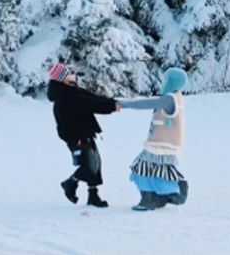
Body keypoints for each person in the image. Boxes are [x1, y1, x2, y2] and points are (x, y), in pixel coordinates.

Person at [47, 62, 119, 208]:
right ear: (62, 78)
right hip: (76, 135)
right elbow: (90, 103)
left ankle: (93, 195)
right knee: (89, 165)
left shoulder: (71, 90)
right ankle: (70, 183)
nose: (72, 75)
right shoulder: (66, 95)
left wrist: (111, 102)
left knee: (96, 163)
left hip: (85, 132)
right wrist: (110, 106)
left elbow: (91, 98)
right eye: (68, 73)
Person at [118, 67, 189, 211]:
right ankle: (160, 198)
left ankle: (165, 194)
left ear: (171, 81)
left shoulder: (170, 99)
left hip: (161, 144)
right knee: (156, 171)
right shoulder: (175, 96)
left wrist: (123, 104)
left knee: (141, 169)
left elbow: (148, 103)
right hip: (165, 143)